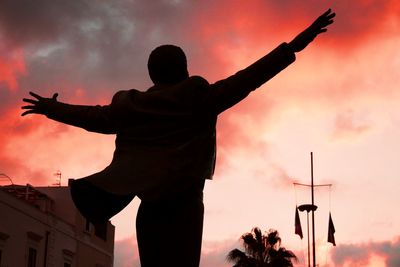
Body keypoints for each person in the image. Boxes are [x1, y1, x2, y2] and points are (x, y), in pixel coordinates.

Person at [21, 9, 335, 267]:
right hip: (185, 207)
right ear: (184, 70)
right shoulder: (201, 99)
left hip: (150, 210)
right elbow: (249, 78)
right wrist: (293, 46)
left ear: (152, 75)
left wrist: (52, 107)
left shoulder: (131, 106)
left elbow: (91, 117)